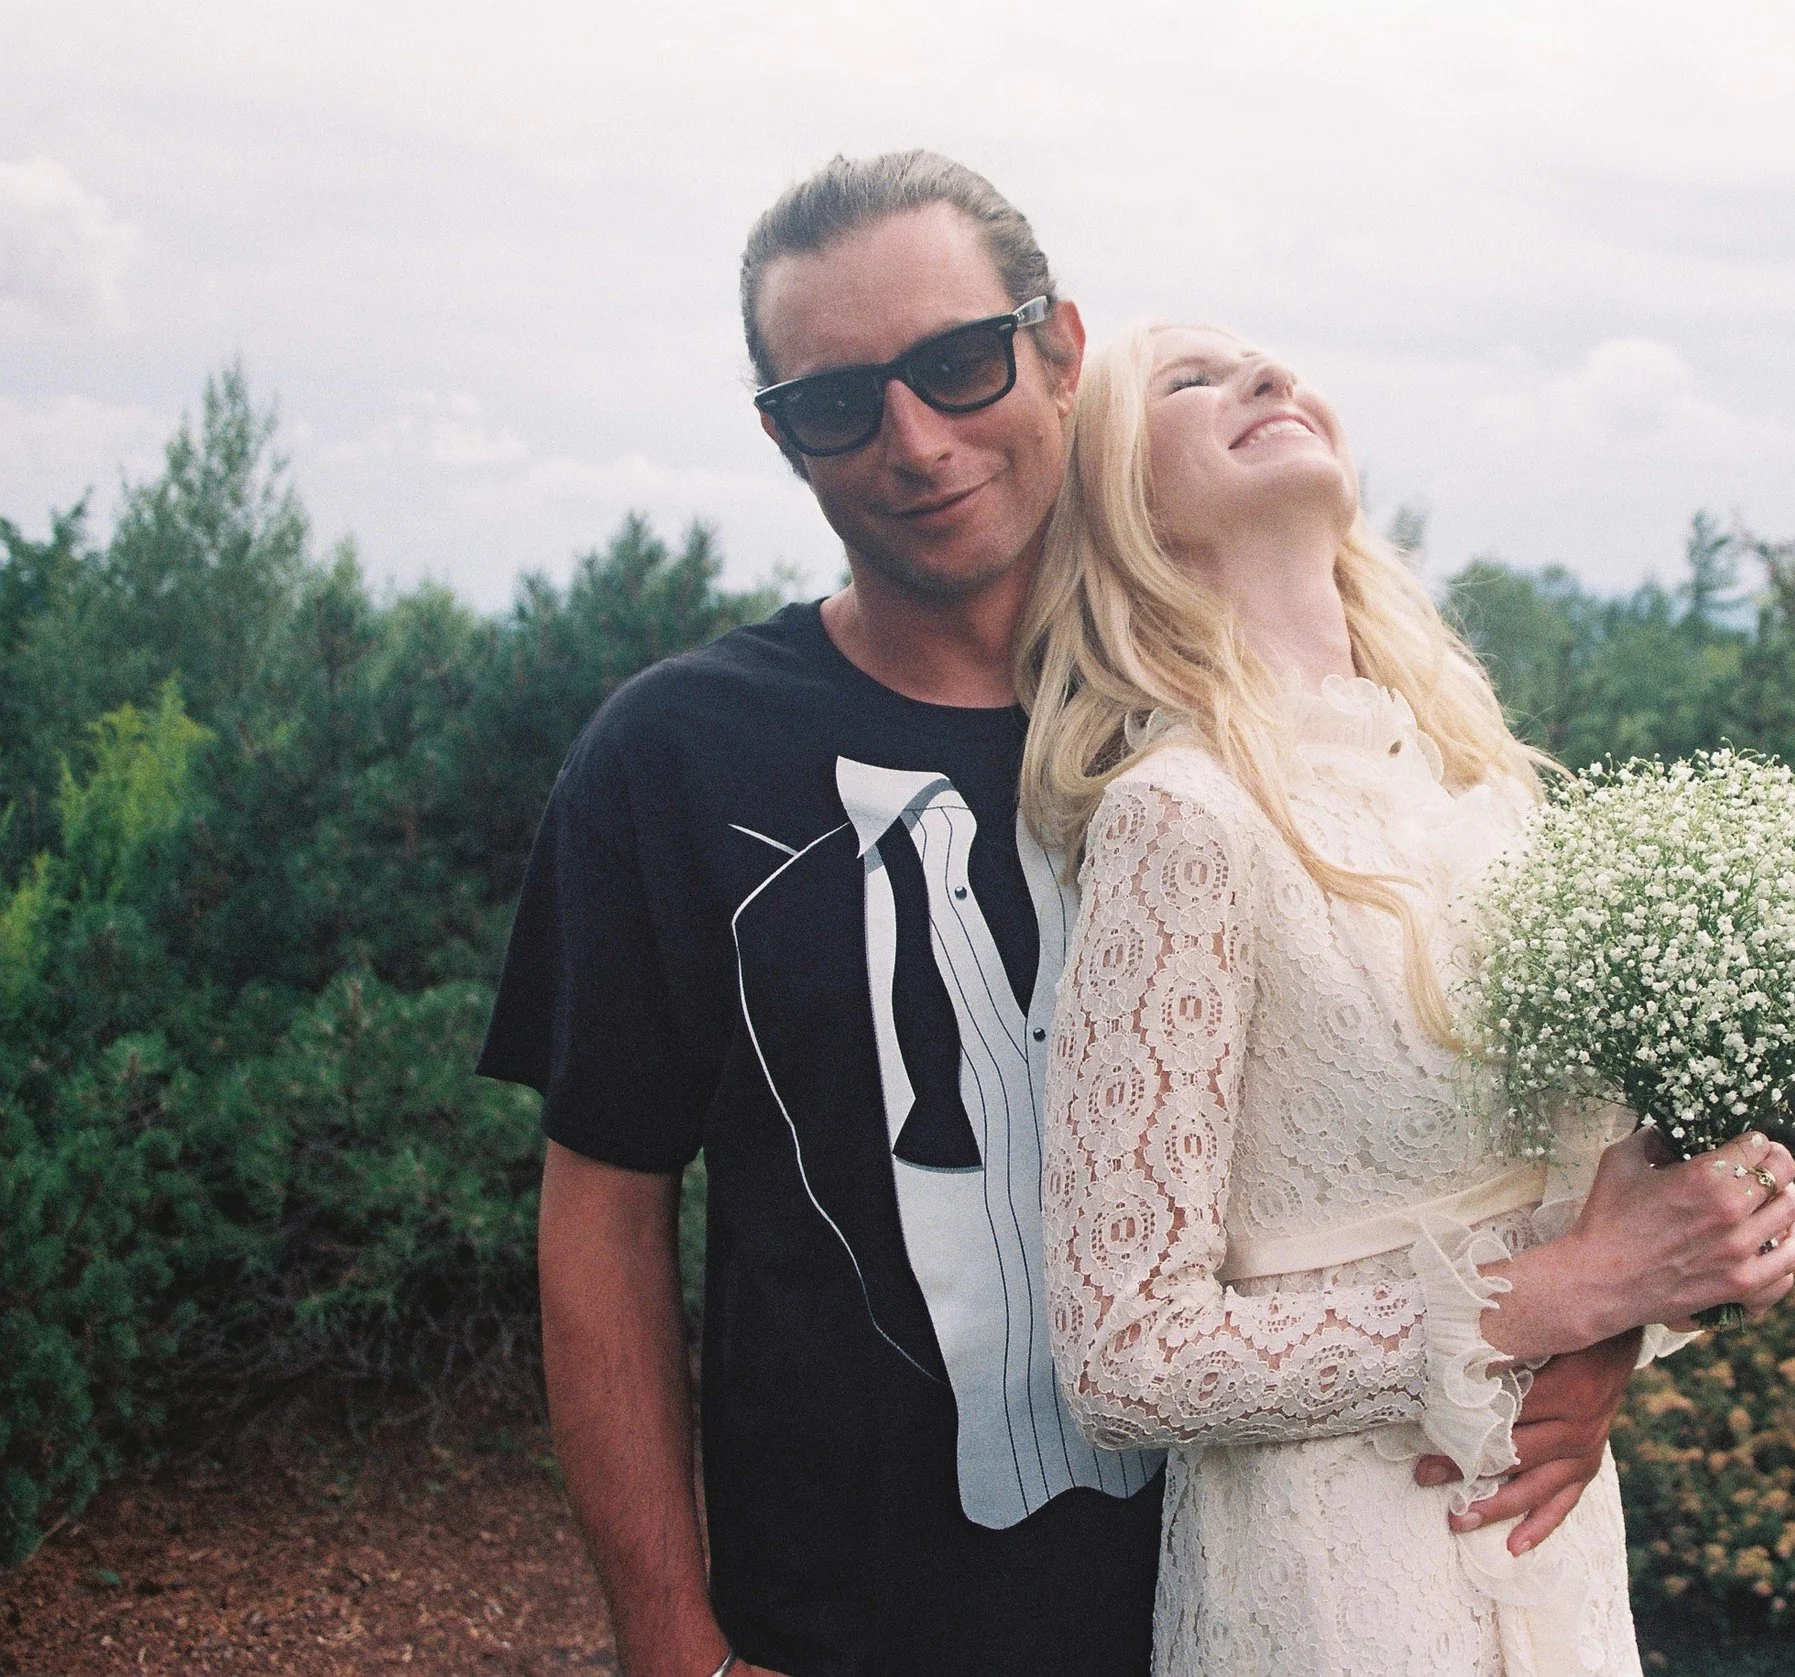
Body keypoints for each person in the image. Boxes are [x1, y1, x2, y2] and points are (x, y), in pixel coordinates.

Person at [479, 151, 1692, 1677]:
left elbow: (1479, 1137)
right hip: (854, 1626)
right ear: (784, 440)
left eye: (958, 364)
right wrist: (670, 1640)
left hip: (1287, 1581)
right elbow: (603, 1207)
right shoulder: (673, 759)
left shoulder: (1271, 749)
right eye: (837, 403)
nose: (914, 440)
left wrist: (1593, 1343)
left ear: (1058, 352)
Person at [1022, 321, 1795, 1675]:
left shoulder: (1483, 788)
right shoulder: (1180, 816)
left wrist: (1690, 1256)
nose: (1266, 379)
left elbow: (1589, 1212)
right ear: (1124, 500)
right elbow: (1127, 1356)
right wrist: (1561, 1295)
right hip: (1332, 1572)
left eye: (1268, 361)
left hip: (1548, 1537)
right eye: (1191, 381)